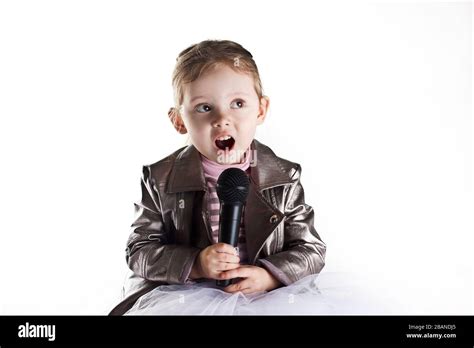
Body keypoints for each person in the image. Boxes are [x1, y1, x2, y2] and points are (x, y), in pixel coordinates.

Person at [109, 39, 327, 315]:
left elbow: (311, 249)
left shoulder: (283, 176)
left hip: (263, 296)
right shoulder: (161, 178)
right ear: (179, 121)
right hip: (188, 296)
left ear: (260, 109)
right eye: (204, 107)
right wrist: (196, 263)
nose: (222, 118)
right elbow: (139, 250)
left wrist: (269, 276)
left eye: (237, 103)